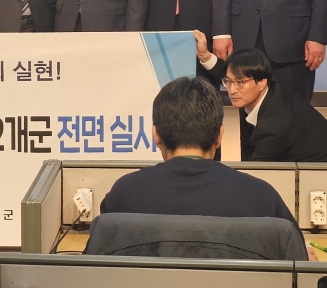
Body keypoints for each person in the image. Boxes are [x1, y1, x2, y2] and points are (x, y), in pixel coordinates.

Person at [99, 75, 304, 236]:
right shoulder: (261, 197)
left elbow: (94, 264)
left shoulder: (123, 195)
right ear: (219, 136)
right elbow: (296, 260)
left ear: (156, 135)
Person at [196, 30, 327, 162]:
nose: (232, 90)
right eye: (228, 82)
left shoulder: (273, 127)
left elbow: (256, 170)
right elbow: (230, 75)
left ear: (261, 83)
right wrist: (205, 56)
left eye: (240, 82)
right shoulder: (271, 88)